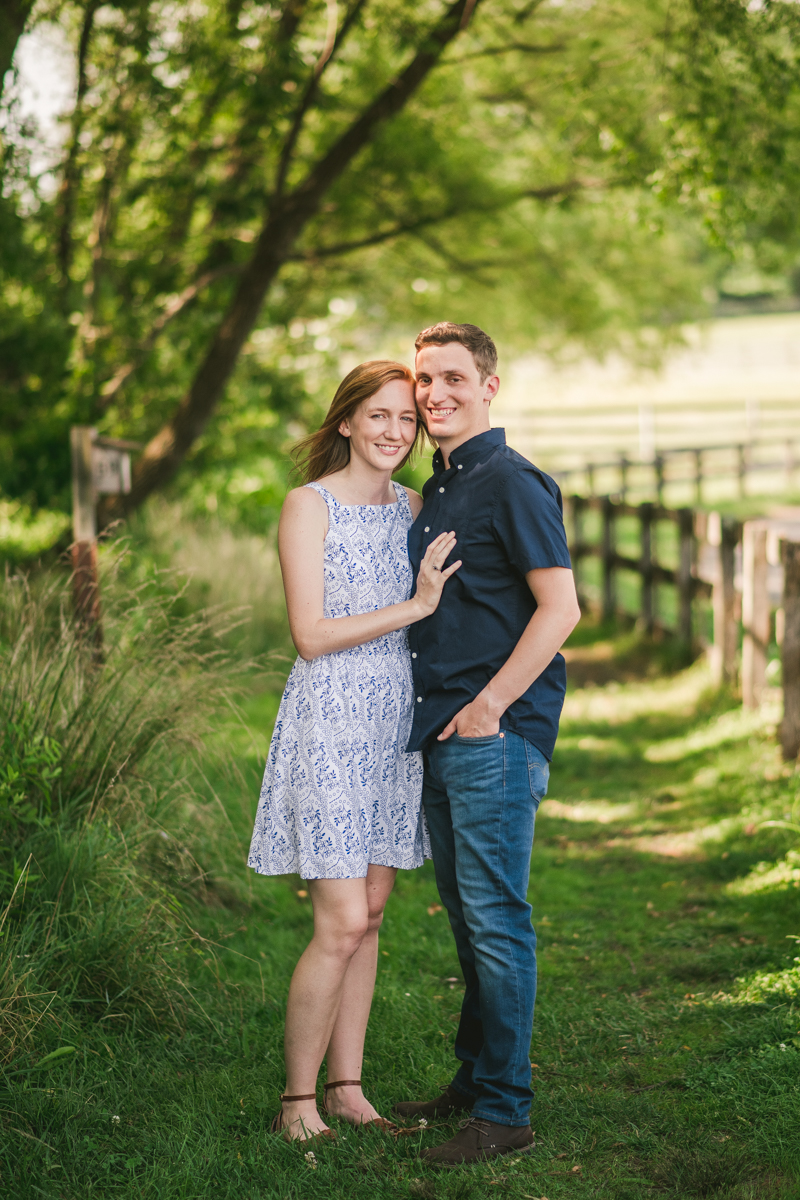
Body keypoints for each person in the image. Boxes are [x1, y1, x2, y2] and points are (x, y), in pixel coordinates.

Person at [247, 360, 461, 1143]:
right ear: (345, 420)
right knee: (338, 921)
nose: (394, 432)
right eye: (378, 416)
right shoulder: (309, 507)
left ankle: (347, 1088)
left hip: (393, 727)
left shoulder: (414, 506)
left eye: (407, 420)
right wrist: (415, 605)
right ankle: (295, 1104)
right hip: (332, 719)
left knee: (370, 915)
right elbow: (310, 637)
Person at [392, 323, 581, 1166]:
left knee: (497, 918)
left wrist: (490, 707)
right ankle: (475, 1079)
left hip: (492, 734)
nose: (435, 394)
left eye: (453, 378)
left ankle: (506, 1110)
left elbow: (562, 608)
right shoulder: (441, 486)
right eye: (424, 379)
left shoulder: (508, 479)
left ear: (490, 386)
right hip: (444, 729)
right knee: (470, 921)